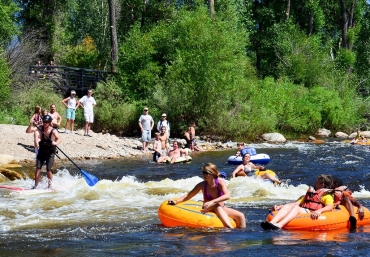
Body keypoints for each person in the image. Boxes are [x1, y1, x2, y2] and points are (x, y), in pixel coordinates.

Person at [168, 163, 246, 228]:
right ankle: (230, 228)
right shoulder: (201, 185)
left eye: (206, 173)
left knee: (241, 216)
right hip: (208, 208)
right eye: (203, 172)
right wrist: (176, 201)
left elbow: (227, 196)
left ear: (213, 173)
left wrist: (212, 201)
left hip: (221, 208)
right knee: (216, 205)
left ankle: (242, 236)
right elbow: (188, 196)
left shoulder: (220, 183)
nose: (204, 175)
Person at [261, 174, 334, 230]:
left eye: (317, 182)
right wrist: (280, 206)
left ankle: (279, 225)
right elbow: (296, 203)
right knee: (289, 206)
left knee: (296, 208)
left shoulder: (326, 195)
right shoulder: (312, 192)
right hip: (305, 210)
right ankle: (271, 223)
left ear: (322, 185)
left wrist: (319, 211)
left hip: (312, 212)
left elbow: (330, 206)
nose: (315, 183)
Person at [26, 115, 62, 189]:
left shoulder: (53, 130)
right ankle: (35, 186)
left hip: (50, 153)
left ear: (49, 123)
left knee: (48, 169)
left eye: (47, 122)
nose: (45, 123)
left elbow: (59, 139)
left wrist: (55, 143)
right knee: (38, 168)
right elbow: (28, 131)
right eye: (44, 122)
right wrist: (30, 124)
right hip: (41, 152)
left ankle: (50, 186)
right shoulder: (40, 128)